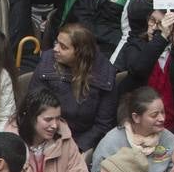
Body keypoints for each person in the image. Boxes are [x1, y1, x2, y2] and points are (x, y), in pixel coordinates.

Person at [115, 0, 174, 137]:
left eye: (162, 24)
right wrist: (162, 37)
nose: (154, 27)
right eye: (152, 21)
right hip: (139, 126)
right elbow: (138, 69)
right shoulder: (136, 46)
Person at [31, 22, 116, 152]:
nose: (55, 49)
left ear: (80, 53)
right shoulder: (48, 60)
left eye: (63, 47)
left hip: (82, 141)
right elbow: (34, 105)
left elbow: (103, 124)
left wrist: (77, 147)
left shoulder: (104, 75)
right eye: (56, 42)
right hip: (47, 134)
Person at [10, 89, 92, 172]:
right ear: (30, 118)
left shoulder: (65, 140)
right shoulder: (11, 142)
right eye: (48, 119)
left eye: (58, 118)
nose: (54, 125)